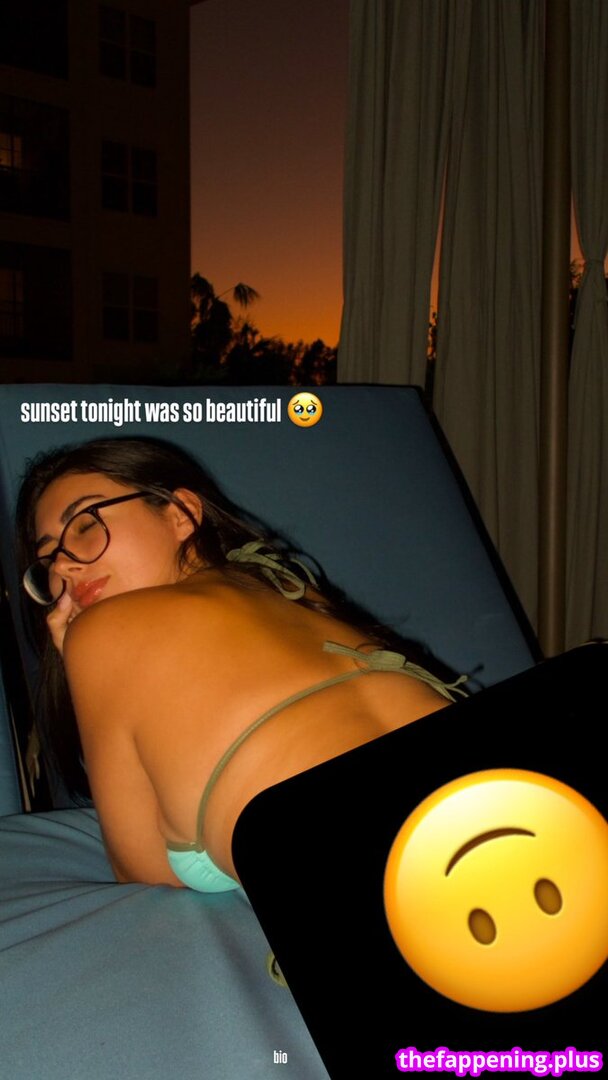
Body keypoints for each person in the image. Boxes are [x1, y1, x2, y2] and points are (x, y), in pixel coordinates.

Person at [17, 436, 465, 893]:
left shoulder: (99, 632)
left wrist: (81, 653)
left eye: (85, 524)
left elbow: (142, 875)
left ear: (181, 513)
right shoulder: (285, 588)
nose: (64, 566)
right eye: (47, 557)